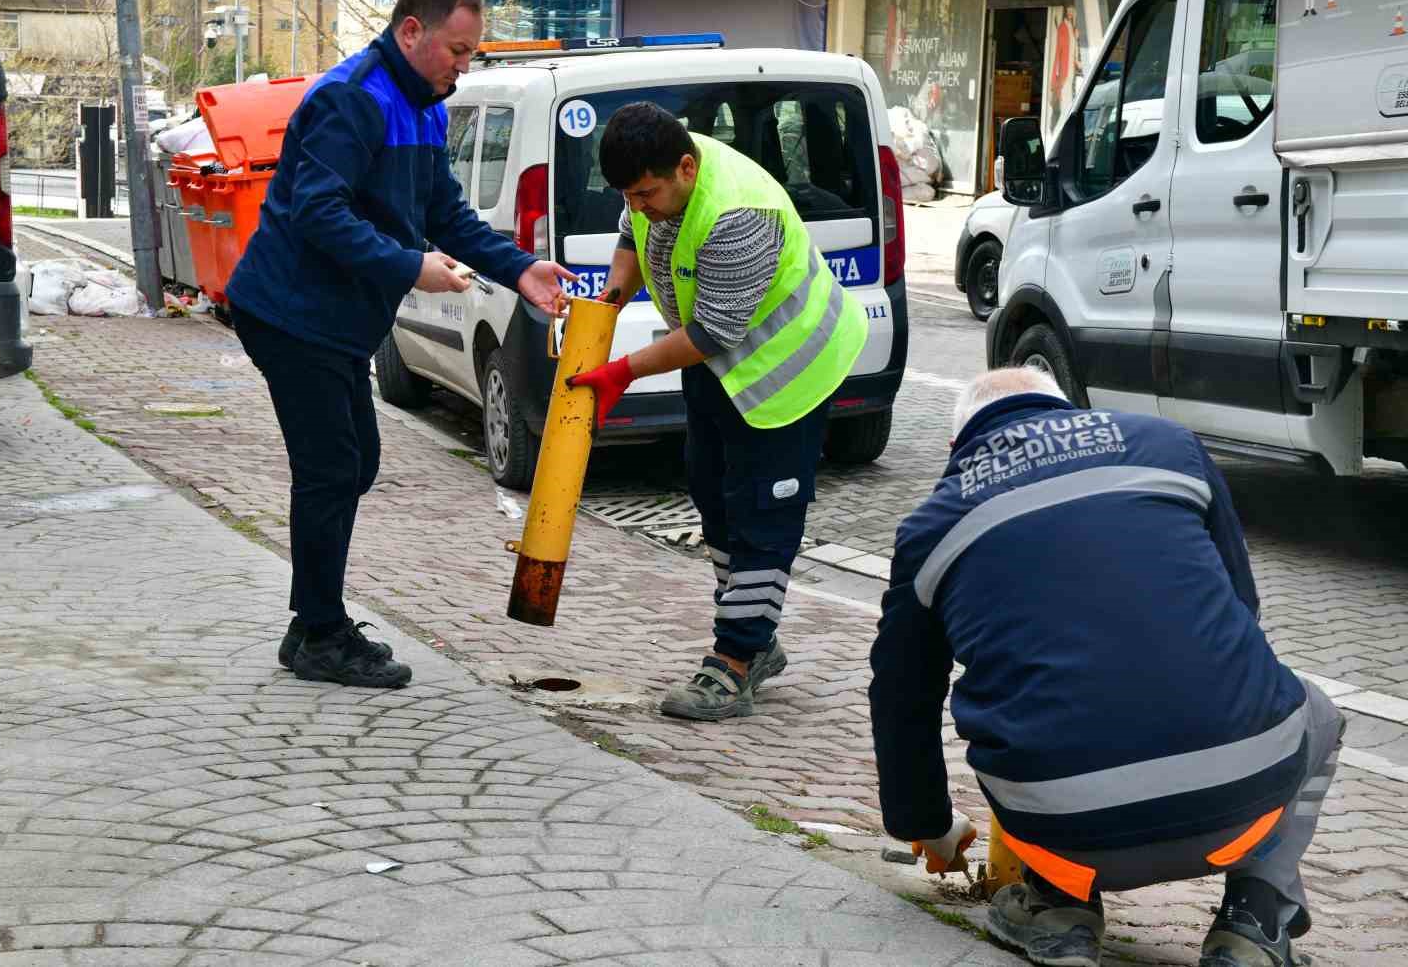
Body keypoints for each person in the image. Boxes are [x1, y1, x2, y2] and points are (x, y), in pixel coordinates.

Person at [870, 367, 1343, 967]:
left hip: (1064, 828)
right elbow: (1241, 608)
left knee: (1017, 700)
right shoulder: (1170, 446)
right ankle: (1255, 921)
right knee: (1320, 713)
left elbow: (902, 698)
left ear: (956, 447)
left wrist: (927, 826)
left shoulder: (929, 527)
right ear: (1068, 410)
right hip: (1241, 806)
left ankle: (1057, 908)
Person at [226, 0, 575, 689]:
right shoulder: (354, 99)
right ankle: (319, 632)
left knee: (354, 464)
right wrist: (410, 267)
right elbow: (319, 213)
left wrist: (521, 270)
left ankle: (312, 623)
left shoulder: (424, 107)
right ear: (411, 31)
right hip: (291, 314)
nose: (463, 66)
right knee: (333, 466)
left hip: (336, 323)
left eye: (472, 52)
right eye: (457, 49)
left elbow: (445, 213)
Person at [567, 102, 868, 721]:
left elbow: (712, 332)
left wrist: (622, 371)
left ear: (685, 167)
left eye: (646, 195)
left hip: (789, 369)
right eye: (629, 196)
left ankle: (735, 660)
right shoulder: (657, 176)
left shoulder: (738, 214)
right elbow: (630, 236)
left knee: (762, 511)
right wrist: (610, 301)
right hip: (722, 368)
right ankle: (754, 637)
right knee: (712, 495)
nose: (638, 207)